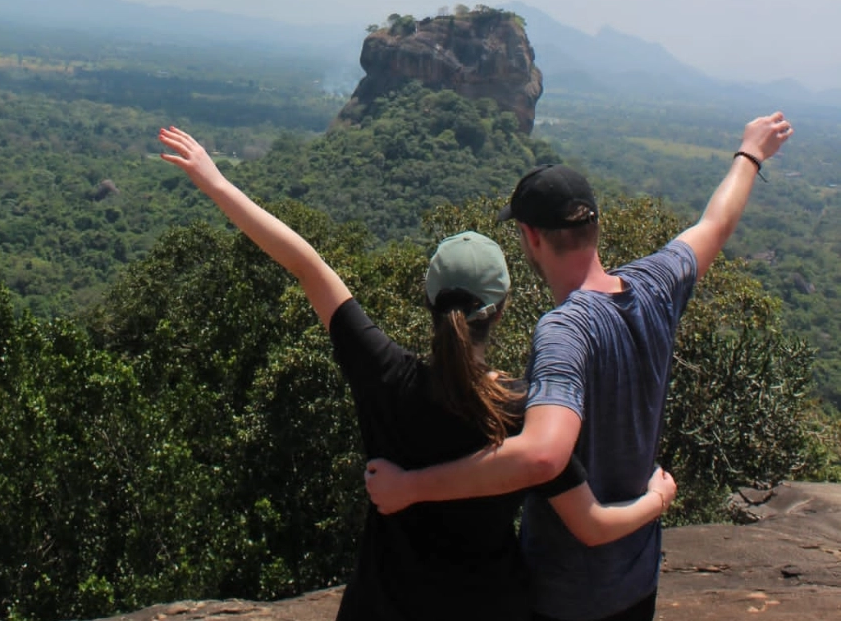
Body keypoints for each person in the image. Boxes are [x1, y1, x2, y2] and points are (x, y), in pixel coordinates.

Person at [158, 125, 677, 621]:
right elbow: (590, 525)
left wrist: (216, 181)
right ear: (502, 306)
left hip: (385, 607)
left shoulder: (386, 377)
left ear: (430, 298)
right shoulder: (526, 413)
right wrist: (657, 499)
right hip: (490, 610)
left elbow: (307, 264)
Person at [364, 112, 794, 621]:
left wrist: (411, 488)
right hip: (637, 576)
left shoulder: (564, 331)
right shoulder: (653, 286)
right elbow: (714, 225)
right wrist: (750, 154)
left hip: (567, 595)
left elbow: (544, 456)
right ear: (594, 225)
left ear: (531, 237)